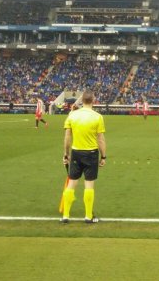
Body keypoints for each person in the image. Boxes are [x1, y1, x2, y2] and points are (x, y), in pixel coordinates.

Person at [61, 90, 106, 224]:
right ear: (93, 100)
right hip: (91, 153)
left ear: (82, 101)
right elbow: (101, 139)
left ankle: (65, 216)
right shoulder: (98, 117)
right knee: (89, 185)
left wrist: (66, 154)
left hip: (76, 152)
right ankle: (88, 216)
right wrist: (103, 157)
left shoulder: (72, 116)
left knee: (71, 183)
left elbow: (67, 137)